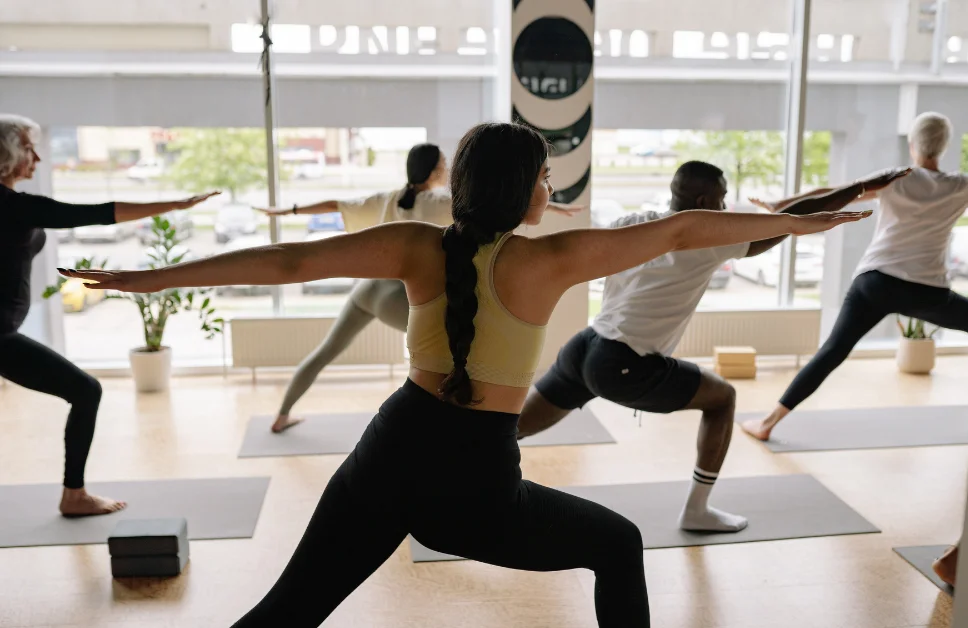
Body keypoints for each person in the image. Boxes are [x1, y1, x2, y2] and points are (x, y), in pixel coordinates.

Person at [64, 122, 871, 627]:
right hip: (477, 483)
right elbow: (685, 228)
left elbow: (290, 259)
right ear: (524, 190)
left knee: (289, 611)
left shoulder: (421, 242)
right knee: (619, 544)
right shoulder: (552, 259)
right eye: (546, 179)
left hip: (391, 448)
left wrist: (152, 279)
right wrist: (803, 223)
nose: (552, 190)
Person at [516, 161, 908, 533]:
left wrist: (802, 206)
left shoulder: (633, 222)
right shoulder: (708, 242)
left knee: (511, 428)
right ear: (704, 203)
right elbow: (793, 221)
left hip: (585, 346)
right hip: (624, 363)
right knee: (722, 399)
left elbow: (775, 218)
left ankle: (457, 471)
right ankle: (697, 510)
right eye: (721, 200)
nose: (725, 209)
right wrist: (860, 188)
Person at [255, 143, 580, 432]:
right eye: (444, 165)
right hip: (402, 298)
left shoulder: (387, 197)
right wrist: (553, 206)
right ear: (438, 170)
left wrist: (289, 210)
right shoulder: (443, 200)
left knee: (326, 351)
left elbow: (334, 205)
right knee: (456, 349)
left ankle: (282, 415)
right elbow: (499, 202)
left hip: (368, 292)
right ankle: (451, 424)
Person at [0, 113, 218, 516]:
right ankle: (74, 496)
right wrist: (174, 203)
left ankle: (74, 494)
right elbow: (93, 213)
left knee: (83, 391)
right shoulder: (11, 206)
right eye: (30, 149)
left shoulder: (12, 206)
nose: (38, 159)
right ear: (8, 152)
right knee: (86, 390)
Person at [741, 111, 968, 443]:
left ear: (912, 144)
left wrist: (783, 203)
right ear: (944, 146)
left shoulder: (895, 178)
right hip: (926, 291)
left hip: (876, 283)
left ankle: (767, 423)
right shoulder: (962, 186)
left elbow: (836, 192)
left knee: (833, 350)